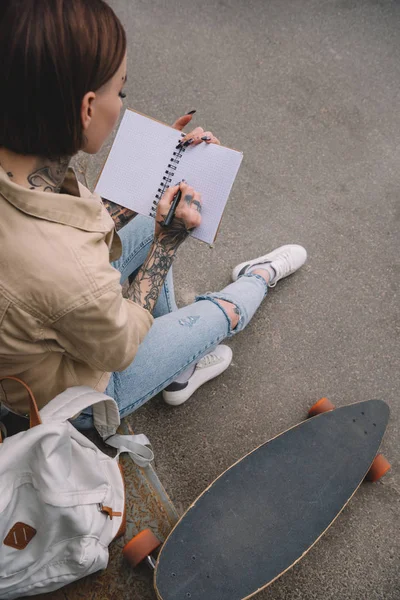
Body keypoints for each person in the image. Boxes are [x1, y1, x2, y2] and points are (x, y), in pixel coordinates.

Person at [0, 0, 307, 429]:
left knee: (146, 220)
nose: (122, 104)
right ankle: (258, 276)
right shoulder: (71, 271)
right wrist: (166, 244)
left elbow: (70, 227)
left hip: (32, 345)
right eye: (119, 92)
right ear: (88, 108)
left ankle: (180, 367)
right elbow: (120, 347)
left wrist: (151, 169)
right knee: (225, 314)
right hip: (74, 399)